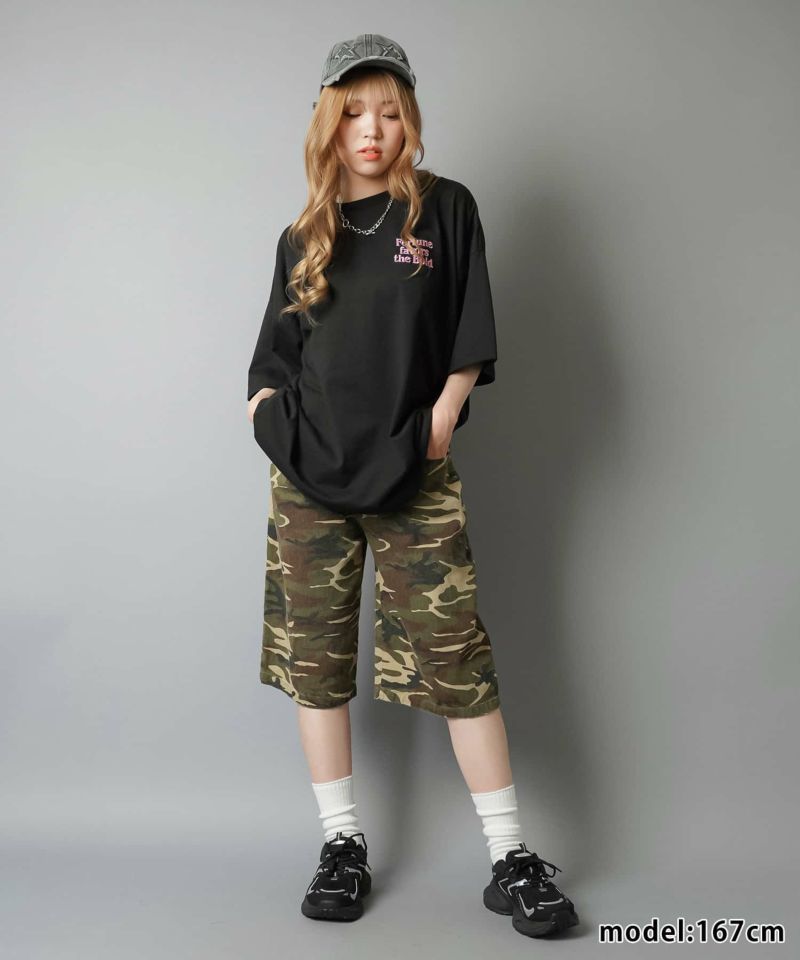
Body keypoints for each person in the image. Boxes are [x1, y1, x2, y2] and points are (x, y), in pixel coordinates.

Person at [246, 33, 580, 939]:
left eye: (390, 113)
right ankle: (341, 844)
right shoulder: (302, 236)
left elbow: (470, 329)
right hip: (308, 482)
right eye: (354, 112)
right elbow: (272, 361)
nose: (372, 129)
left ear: (410, 122)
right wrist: (268, 415)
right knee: (317, 661)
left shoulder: (444, 211)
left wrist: (441, 417)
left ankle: (511, 857)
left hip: (414, 473)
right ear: (329, 122)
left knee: (455, 657)